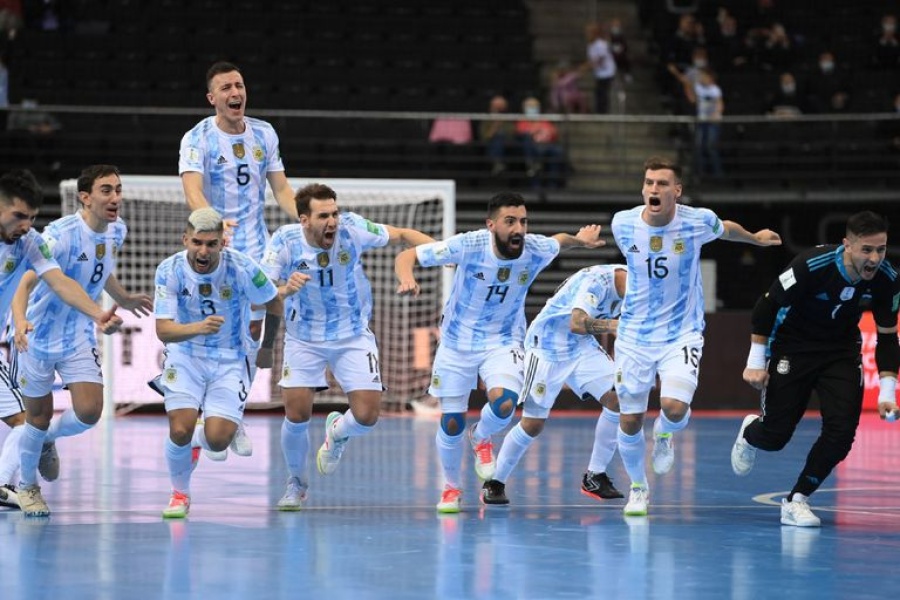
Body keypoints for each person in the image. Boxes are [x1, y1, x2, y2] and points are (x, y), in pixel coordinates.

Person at [394, 191, 606, 513]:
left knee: (505, 402)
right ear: (491, 225)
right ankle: (451, 488)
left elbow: (558, 241)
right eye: (510, 221)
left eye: (523, 220)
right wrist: (407, 278)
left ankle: (480, 435)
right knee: (451, 422)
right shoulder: (469, 245)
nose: (519, 228)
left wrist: (579, 239)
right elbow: (406, 256)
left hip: (503, 340)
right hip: (456, 342)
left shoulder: (534, 248)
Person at [610, 157, 781, 517]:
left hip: (681, 332)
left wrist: (754, 238)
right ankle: (638, 488)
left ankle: (666, 434)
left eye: (661, 183)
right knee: (628, 421)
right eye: (649, 183)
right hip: (634, 336)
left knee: (674, 408)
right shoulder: (622, 224)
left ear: (677, 191)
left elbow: (725, 228)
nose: (653, 189)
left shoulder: (696, 221)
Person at [150, 60, 299, 459]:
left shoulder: (264, 133)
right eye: (226, 88)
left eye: (240, 85)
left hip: (255, 245)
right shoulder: (197, 137)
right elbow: (193, 191)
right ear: (212, 98)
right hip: (213, 244)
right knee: (208, 320)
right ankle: (175, 378)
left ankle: (233, 412)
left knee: (250, 329)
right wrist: (213, 225)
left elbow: (281, 189)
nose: (235, 92)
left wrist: (301, 214)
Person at [261, 183, 434, 510]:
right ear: (304, 220)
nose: (333, 221)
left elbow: (402, 233)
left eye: (335, 213)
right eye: (323, 215)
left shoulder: (353, 228)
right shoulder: (284, 241)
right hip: (304, 337)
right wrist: (285, 288)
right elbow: (263, 286)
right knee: (296, 414)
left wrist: (443, 252)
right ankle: (296, 483)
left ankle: (338, 433)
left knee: (367, 416)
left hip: (352, 333)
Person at [731, 211, 899, 527]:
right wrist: (755, 362)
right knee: (776, 436)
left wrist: (887, 393)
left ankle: (798, 499)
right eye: (867, 250)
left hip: (840, 351)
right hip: (793, 345)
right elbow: (767, 306)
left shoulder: (886, 278)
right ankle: (751, 433)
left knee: (842, 433)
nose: (874, 258)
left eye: (881, 250)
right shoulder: (812, 264)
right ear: (847, 245)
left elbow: (888, 338)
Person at [11, 165, 151, 516]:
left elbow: (101, 271)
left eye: (118, 189)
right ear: (85, 198)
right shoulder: (58, 235)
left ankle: (48, 440)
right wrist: (19, 319)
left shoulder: (117, 230)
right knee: (36, 416)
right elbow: (25, 282)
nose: (115, 197)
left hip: (77, 334)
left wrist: (124, 296)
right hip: (37, 335)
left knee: (89, 412)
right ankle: (28, 487)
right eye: (106, 190)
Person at [155, 208, 282, 519]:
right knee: (180, 428)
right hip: (186, 355)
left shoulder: (242, 267)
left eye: (211, 244)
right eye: (197, 242)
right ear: (185, 239)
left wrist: (266, 347)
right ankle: (180, 493)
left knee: (217, 441)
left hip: (231, 357)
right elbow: (163, 330)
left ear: (223, 242)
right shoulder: (169, 270)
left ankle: (210, 436)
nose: (203, 251)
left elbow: (274, 300)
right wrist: (198, 327)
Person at [481, 264, 627, 505]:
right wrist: (613, 326)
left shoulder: (638, 290)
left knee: (619, 397)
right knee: (533, 424)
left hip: (581, 347)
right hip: (546, 347)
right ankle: (495, 482)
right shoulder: (597, 281)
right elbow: (577, 323)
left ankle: (595, 476)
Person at [669, 65, 725, 179]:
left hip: (712, 122)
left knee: (711, 147)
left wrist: (716, 114)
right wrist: (679, 77)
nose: (701, 78)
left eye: (703, 76)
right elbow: (691, 96)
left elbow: (720, 104)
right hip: (701, 121)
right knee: (698, 147)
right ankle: (700, 174)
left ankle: (718, 174)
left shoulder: (715, 89)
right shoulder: (699, 87)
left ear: (710, 77)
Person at [515, 97, 565, 189]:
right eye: (530, 106)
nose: (532, 108)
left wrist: (547, 131)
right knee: (532, 155)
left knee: (557, 152)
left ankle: (552, 184)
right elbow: (522, 133)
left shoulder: (544, 120)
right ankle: (535, 183)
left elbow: (553, 133)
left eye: (534, 106)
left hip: (546, 145)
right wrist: (536, 129)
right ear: (524, 108)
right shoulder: (522, 121)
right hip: (532, 148)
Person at [479, 95, 516, 176]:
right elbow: (484, 137)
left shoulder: (509, 120)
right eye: (495, 106)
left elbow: (512, 134)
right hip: (489, 146)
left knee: (500, 137)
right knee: (497, 139)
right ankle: (497, 163)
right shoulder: (485, 120)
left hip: (507, 146)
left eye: (500, 106)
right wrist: (495, 126)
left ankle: (497, 164)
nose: (498, 109)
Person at [584, 22, 616, 114]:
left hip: (607, 72)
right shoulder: (590, 46)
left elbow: (600, 59)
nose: (587, 35)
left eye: (589, 33)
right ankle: (600, 111)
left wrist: (587, 66)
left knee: (603, 92)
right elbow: (592, 60)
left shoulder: (601, 44)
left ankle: (603, 112)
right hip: (599, 73)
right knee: (598, 92)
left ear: (595, 33)